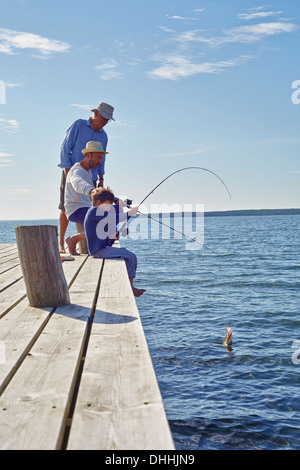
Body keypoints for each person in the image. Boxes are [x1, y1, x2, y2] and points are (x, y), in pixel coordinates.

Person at [58, 101, 114, 252]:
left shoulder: (104, 136)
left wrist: (101, 179)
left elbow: (102, 159)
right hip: (71, 171)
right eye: (103, 119)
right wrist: (68, 172)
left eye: (107, 121)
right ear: (95, 114)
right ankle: (62, 243)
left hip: (92, 174)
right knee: (65, 206)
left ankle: (86, 242)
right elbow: (65, 148)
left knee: (94, 209)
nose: (105, 123)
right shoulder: (78, 125)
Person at [84, 187, 146, 297]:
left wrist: (114, 235)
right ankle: (130, 287)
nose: (109, 208)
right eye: (108, 205)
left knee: (128, 255)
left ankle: (129, 285)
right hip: (98, 251)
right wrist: (130, 213)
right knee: (131, 256)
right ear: (98, 203)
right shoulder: (94, 212)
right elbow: (114, 218)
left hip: (101, 249)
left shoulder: (98, 212)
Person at [64, 141, 108, 255]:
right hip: (76, 210)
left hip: (86, 208)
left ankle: (100, 245)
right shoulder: (77, 171)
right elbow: (78, 183)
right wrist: (91, 190)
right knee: (104, 221)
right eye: (98, 157)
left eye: (101, 158)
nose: (100, 161)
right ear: (88, 155)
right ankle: (73, 239)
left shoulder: (87, 171)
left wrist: (112, 198)